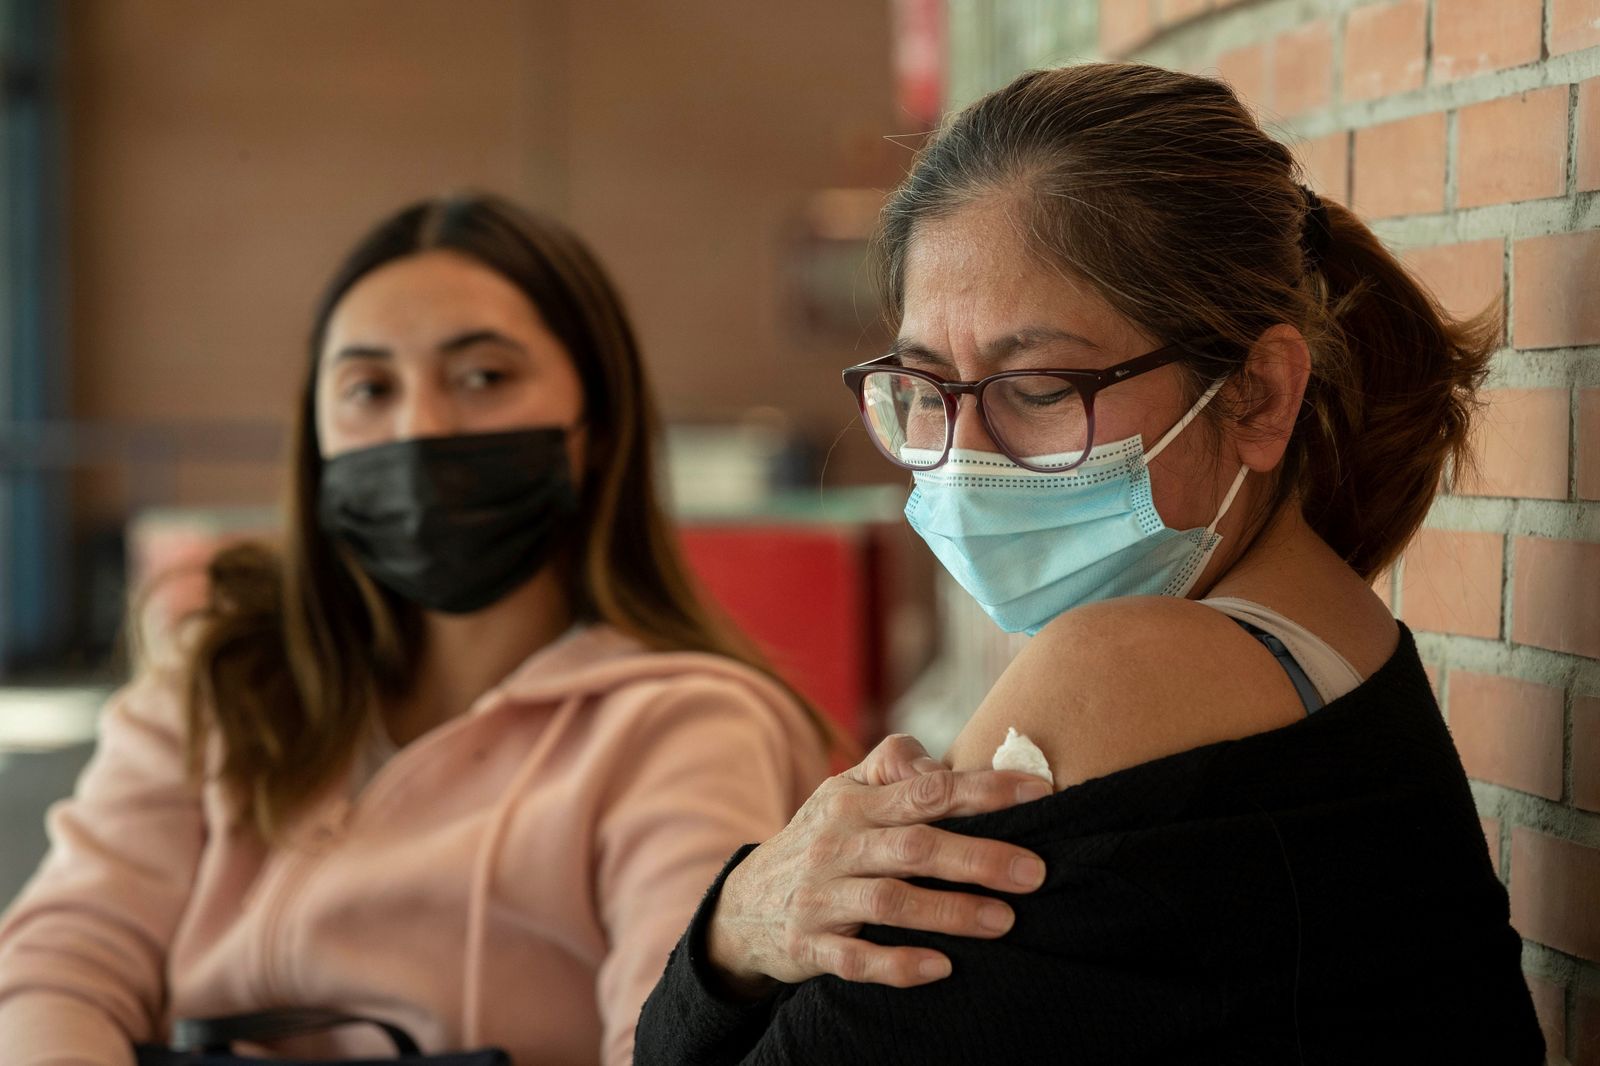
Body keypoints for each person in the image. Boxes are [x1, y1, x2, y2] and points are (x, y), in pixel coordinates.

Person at [635, 63, 1546, 1063]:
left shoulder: (1125, 667)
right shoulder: (1331, 652)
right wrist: (742, 919)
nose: (967, 457)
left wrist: (737, 929)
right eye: (928, 387)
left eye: (1035, 385)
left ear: (1258, 394)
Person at [0, 194, 844, 1065]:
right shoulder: (218, 680)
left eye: (483, 377)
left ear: (593, 429)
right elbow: (60, 967)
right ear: (318, 435)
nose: (419, 429)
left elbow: (667, 1039)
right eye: (368, 388)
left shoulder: (685, 727)